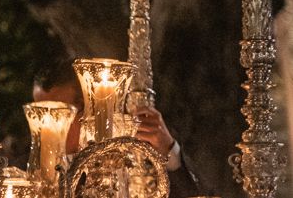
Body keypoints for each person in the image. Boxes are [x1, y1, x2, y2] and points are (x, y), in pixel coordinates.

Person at [32, 61, 201, 198]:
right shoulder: (29, 175)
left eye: (57, 113)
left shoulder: (126, 162)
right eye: (40, 113)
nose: (45, 124)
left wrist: (168, 150)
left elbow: (193, 194)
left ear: (87, 110)